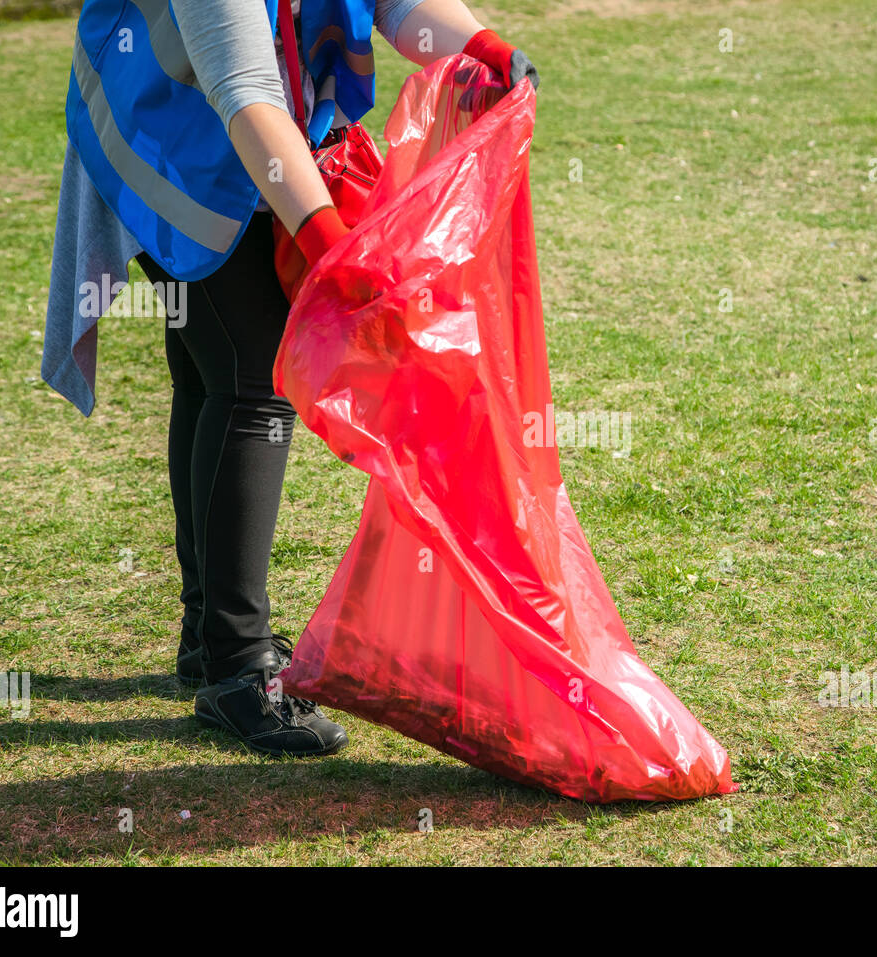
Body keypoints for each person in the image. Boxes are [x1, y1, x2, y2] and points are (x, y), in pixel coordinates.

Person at [41, 0, 538, 757]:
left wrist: (484, 47)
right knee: (250, 380)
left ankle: (210, 638)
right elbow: (246, 92)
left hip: (232, 126)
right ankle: (237, 670)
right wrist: (328, 242)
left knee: (211, 372)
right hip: (175, 138)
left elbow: (393, 3)